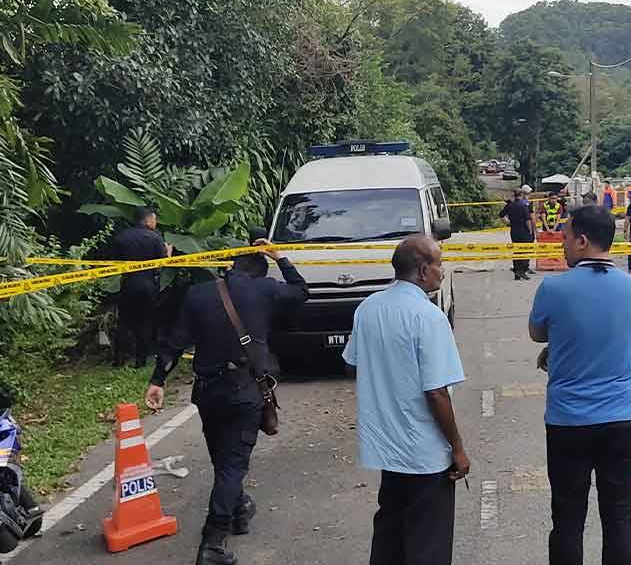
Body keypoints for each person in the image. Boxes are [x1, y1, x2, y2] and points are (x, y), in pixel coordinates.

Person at [145, 240, 308, 565]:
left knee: (223, 458)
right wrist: (281, 258)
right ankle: (213, 542)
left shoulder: (199, 294)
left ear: (231, 266)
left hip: (207, 392)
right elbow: (301, 291)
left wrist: (158, 380)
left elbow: (174, 342)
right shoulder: (265, 289)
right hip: (244, 391)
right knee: (232, 465)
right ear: (260, 272)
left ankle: (239, 508)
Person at [529, 205, 631, 565]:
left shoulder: (553, 288)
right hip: (623, 419)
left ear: (582, 241)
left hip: (569, 421)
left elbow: (537, 333)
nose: (561, 244)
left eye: (565, 237)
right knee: (619, 519)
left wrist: (558, 343)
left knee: (567, 521)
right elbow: (630, 332)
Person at [344, 235, 470, 565]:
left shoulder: (368, 308)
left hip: (387, 449)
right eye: (440, 264)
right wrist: (457, 448)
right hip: (425, 453)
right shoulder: (428, 317)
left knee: (390, 536)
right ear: (423, 271)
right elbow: (437, 392)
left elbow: (352, 363)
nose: (443, 271)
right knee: (428, 544)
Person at [112, 207, 172, 368]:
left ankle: (118, 360)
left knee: (124, 322)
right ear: (147, 220)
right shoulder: (155, 238)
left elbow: (115, 262)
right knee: (145, 322)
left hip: (128, 284)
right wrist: (168, 253)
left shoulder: (122, 237)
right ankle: (141, 361)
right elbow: (161, 264)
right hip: (148, 285)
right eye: (154, 219)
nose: (155, 222)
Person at [501, 189, 535, 281]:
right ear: (521, 195)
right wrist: (530, 231)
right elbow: (527, 220)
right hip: (523, 231)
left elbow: (501, 215)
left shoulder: (510, 205)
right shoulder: (523, 205)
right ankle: (522, 271)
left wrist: (508, 223)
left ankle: (516, 271)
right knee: (524, 251)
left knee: (516, 251)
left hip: (514, 231)